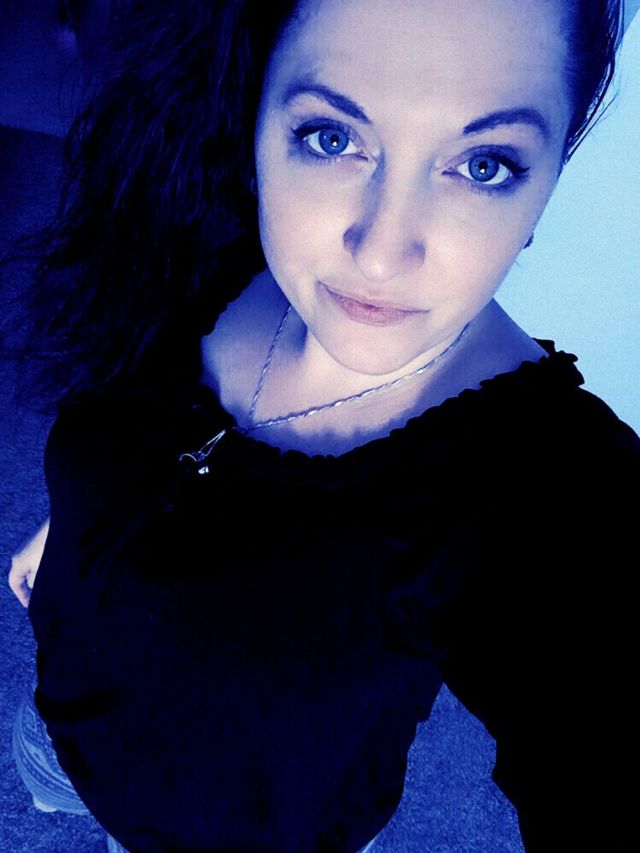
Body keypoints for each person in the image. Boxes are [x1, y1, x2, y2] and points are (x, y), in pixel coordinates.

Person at [6, 0, 639, 850]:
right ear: (259, 112)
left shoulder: (548, 488)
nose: (380, 252)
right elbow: (127, 429)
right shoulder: (198, 226)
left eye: (484, 164)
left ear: (551, 176)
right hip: (54, 727)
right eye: (332, 138)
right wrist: (76, 523)